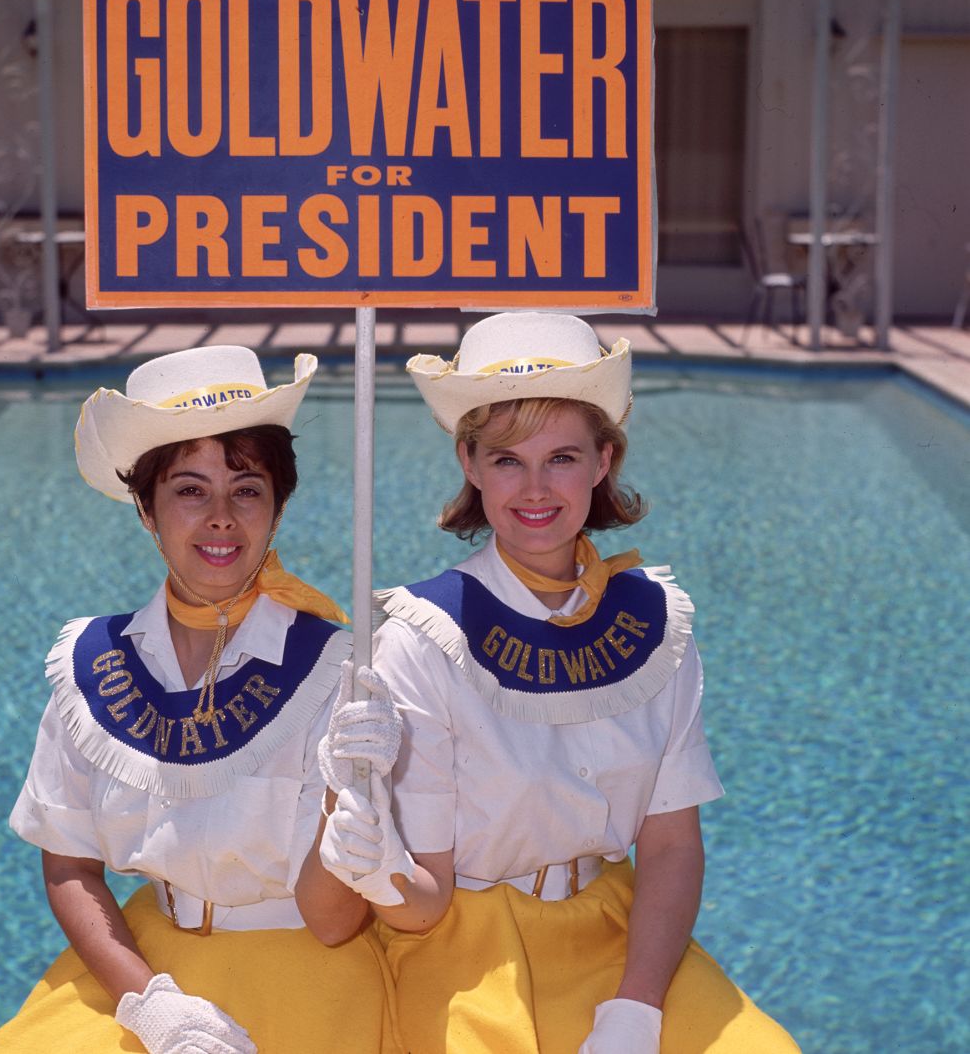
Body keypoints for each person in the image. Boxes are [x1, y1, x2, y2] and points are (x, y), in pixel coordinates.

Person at [313, 313, 799, 1053]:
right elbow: (427, 902)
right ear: (469, 463)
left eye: (562, 457)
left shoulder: (657, 623)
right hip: (466, 944)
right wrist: (382, 874)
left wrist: (635, 1012)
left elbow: (670, 847)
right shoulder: (419, 636)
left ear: (604, 461)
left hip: (622, 934)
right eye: (507, 459)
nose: (535, 488)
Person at [0, 346, 400, 1054]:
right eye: (190, 490)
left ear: (279, 506)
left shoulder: (341, 671)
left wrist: (351, 801)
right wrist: (148, 1004)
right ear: (146, 509)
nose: (222, 517)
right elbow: (69, 868)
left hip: (309, 965)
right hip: (142, 970)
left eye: (247, 488)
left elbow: (335, 922)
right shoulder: (90, 667)